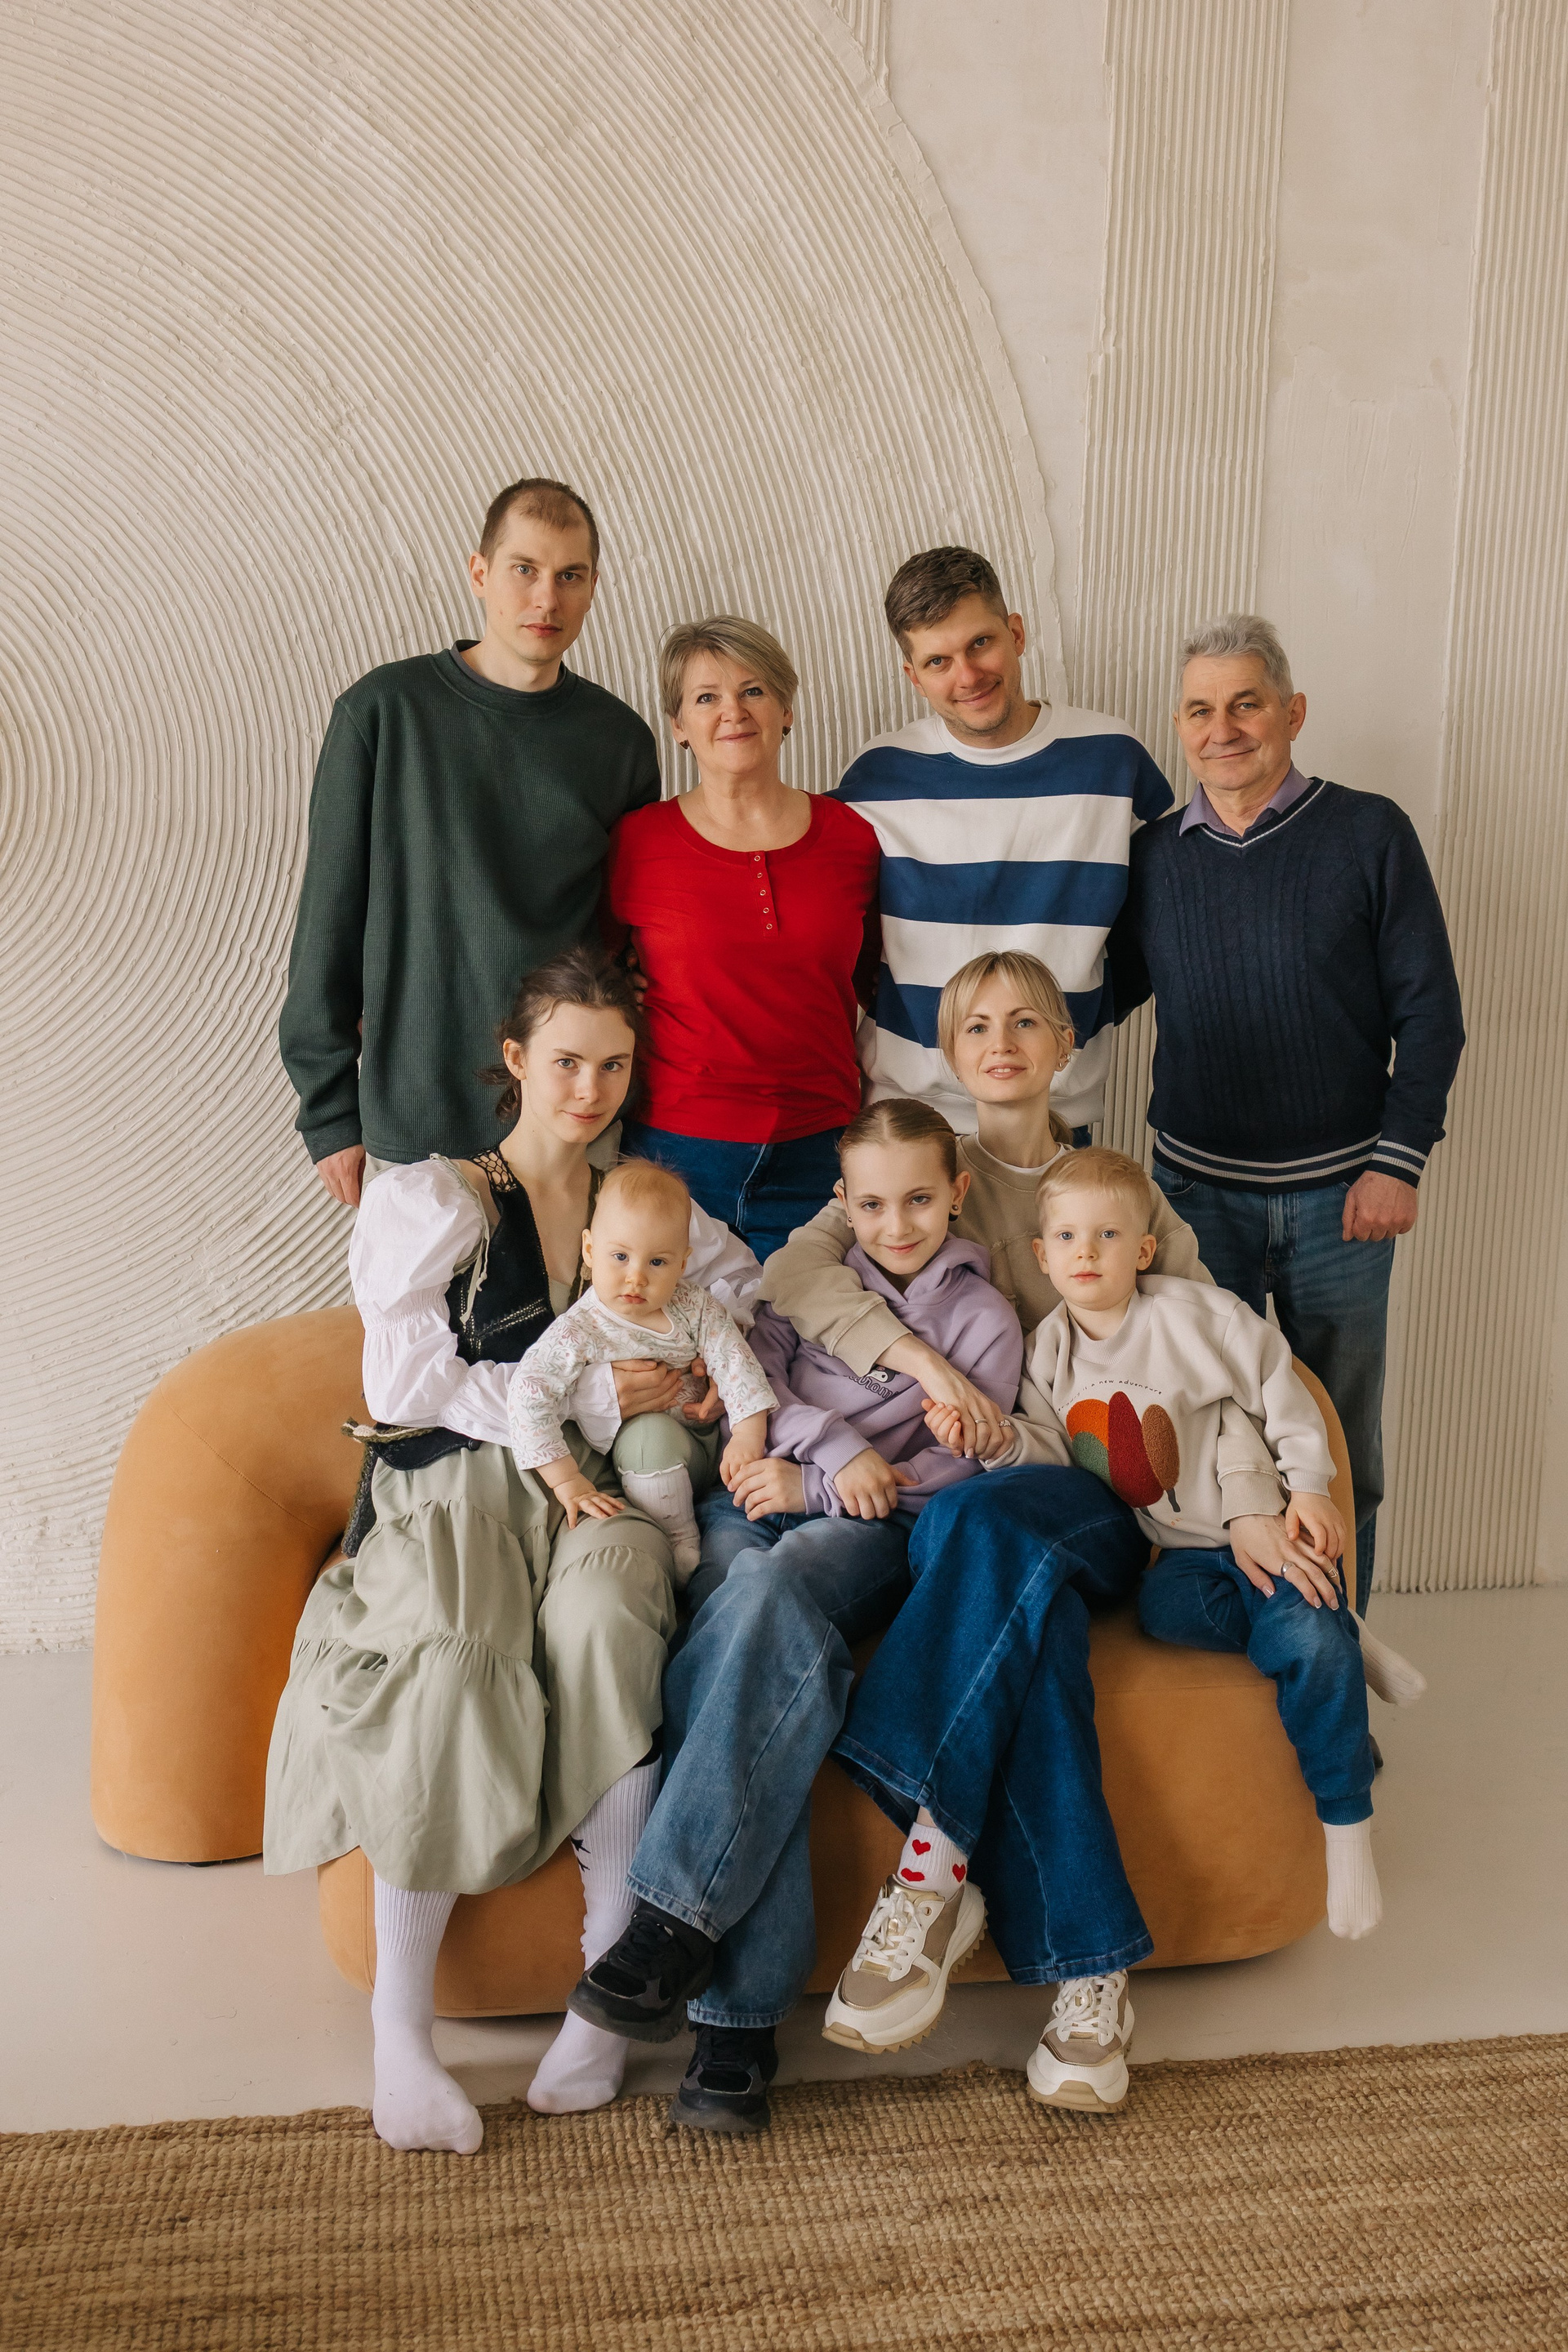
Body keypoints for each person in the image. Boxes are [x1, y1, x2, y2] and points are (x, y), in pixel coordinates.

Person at [264, 949, 760, 2150]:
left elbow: (739, 1302)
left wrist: (700, 1383)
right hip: (459, 1482)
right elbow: (406, 1384)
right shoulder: (438, 1196)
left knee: (612, 1619)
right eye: (567, 1062)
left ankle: (602, 2000)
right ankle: (401, 2039)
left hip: (595, 1492)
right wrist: (592, 1396)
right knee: (457, 1647)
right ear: (515, 1061)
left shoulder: (642, 1210)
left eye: (614, 1066)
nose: (590, 1089)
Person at [831, 1149, 1385, 2109]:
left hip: (1153, 1535)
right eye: (1066, 1239)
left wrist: (1269, 1496)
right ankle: (1082, 1972)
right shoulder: (940, 1196)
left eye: (1103, 1237)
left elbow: (1246, 1390)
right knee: (1000, 1560)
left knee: (987, 1537)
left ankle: (932, 1858)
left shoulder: (1172, 1281)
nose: (1084, 1252)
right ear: (1042, 1250)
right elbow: (1043, 1445)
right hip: (1061, 1507)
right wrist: (992, 1439)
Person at [566, 1100, 1022, 2134]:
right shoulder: (815, 1279)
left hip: (870, 1528)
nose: (897, 1224)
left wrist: (821, 1484)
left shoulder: (983, 1320)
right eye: (873, 1204)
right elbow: (755, 1376)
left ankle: (682, 1937)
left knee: (765, 1597)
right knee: (737, 1632)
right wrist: (825, 1450)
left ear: (956, 1194)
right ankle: (730, 2027)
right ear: (843, 1202)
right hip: (758, 1493)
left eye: (919, 1200)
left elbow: (955, 1470)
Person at [1108, 615, 1465, 1609]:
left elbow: (1431, 1015)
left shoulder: (1368, 833)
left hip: (1342, 1204)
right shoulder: (1155, 858)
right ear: (1179, 727)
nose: (1222, 730)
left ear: (1293, 712)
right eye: (1200, 710)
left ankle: (1336, 1653)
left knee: (1338, 1446)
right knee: (1208, 1439)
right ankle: (1245, 1657)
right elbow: (1100, 999)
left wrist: (1397, 1162)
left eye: (1246, 704)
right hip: (1193, 1201)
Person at [279, 475, 660, 1209]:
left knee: (575, 1293)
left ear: (592, 588)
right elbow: (327, 921)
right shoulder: (382, 713)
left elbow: (626, 934)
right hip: (415, 1117)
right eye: (524, 569)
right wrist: (328, 1114)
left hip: (570, 1123)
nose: (546, 598)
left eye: (569, 576)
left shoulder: (619, 742)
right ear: (479, 573)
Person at [835, 546, 1172, 1142]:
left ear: (1016, 633)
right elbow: (846, 932)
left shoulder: (1112, 758)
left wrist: (1087, 1009)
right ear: (913, 675)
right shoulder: (877, 774)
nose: (967, 676)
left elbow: (1163, 919)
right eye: (938, 661)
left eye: (980, 643)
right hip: (909, 1123)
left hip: (1052, 1118)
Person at [603, 616, 881, 1260]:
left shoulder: (852, 837)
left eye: (753, 690)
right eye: (706, 697)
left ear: (786, 709)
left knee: (807, 1324)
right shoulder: (638, 841)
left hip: (823, 1149)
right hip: (673, 1152)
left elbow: (873, 982)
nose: (733, 711)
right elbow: (597, 976)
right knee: (676, 1326)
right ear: (678, 725)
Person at [509, 1159, 777, 1579]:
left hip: (716, 1442)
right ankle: (679, 1539)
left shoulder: (695, 1306)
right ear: (590, 1250)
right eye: (620, 1256)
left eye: (657, 1263)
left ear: (682, 1264)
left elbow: (735, 1362)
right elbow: (529, 1393)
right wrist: (566, 1480)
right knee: (648, 1436)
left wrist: (747, 1434)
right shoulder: (580, 1330)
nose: (636, 1277)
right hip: (646, 1457)